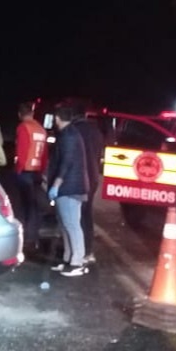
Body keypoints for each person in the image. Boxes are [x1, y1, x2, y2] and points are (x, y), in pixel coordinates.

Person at [46, 103, 90, 277]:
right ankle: (68, 259)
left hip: (70, 188)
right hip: (69, 187)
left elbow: (67, 162)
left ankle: (77, 262)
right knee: (66, 225)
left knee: (72, 224)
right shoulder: (67, 134)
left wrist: (56, 184)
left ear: (57, 118)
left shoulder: (69, 136)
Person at [70, 100, 105, 263]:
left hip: (77, 178)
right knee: (87, 214)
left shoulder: (73, 131)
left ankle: (77, 252)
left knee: (74, 215)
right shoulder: (96, 131)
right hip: (93, 178)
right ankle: (88, 251)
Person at [14, 101, 49, 253]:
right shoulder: (41, 129)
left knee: (24, 207)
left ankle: (25, 239)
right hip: (36, 172)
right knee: (34, 206)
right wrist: (41, 171)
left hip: (26, 171)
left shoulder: (23, 128)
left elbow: (21, 151)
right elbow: (45, 154)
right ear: (33, 113)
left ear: (20, 114)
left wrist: (18, 169)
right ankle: (33, 237)